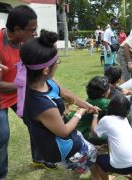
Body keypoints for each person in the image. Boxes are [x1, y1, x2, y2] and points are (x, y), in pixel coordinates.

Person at [18, 29, 97, 175]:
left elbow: (65, 92)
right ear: (46, 70)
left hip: (61, 134)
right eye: (57, 62)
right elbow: (63, 131)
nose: (58, 64)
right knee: (92, 154)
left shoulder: (44, 81)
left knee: (86, 151)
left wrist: (87, 105)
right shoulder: (42, 104)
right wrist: (80, 113)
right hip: (60, 146)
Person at [0, 5, 38, 179]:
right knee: (2, 135)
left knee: (35, 121)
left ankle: (39, 158)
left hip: (16, 85)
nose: (34, 34)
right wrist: (26, 85)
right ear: (17, 29)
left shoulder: (24, 40)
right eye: (32, 30)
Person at [91, 94, 132, 180]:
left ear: (111, 106)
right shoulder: (125, 119)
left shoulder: (106, 119)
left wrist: (95, 115)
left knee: (96, 159)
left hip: (125, 165)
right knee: (125, 154)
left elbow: (94, 133)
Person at [66, 76, 110, 145]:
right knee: (107, 136)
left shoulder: (91, 98)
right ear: (103, 93)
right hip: (78, 131)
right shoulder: (104, 102)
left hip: (70, 123)